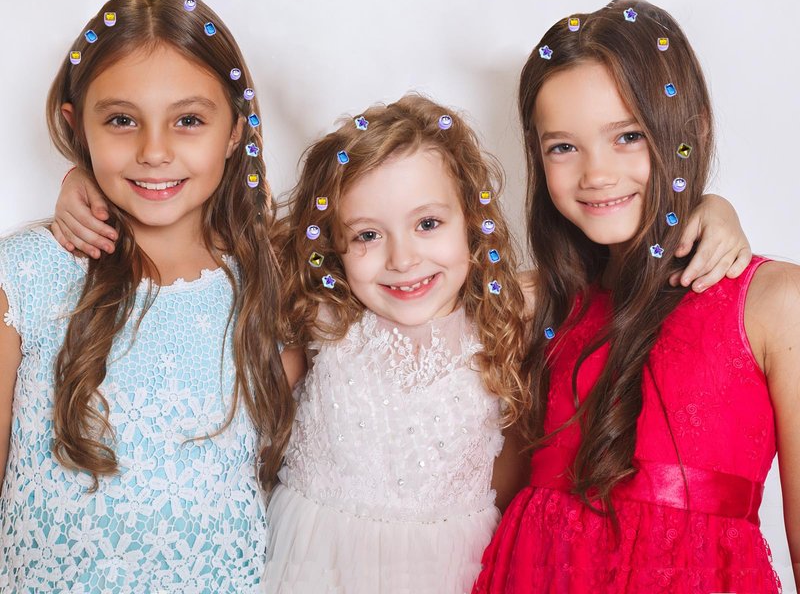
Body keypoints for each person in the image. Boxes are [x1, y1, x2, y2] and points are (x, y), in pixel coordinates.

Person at [52, 89, 751, 594]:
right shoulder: (323, 312)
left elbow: (615, 265)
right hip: (318, 561)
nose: (402, 259)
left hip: (453, 566)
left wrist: (711, 207)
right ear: (333, 246)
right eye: (367, 235)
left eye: (428, 224)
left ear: (473, 222)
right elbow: (193, 221)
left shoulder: (515, 306)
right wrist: (86, 178)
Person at [473, 0, 800, 593]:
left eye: (628, 136)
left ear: (693, 130)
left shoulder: (776, 304)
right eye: (562, 147)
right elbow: (486, 506)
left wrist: (708, 204)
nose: (596, 174)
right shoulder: (537, 307)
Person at [0, 0, 302, 593]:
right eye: (121, 120)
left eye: (188, 120)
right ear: (76, 125)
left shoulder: (274, 282)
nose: (154, 151)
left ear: (234, 129)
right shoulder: (27, 274)